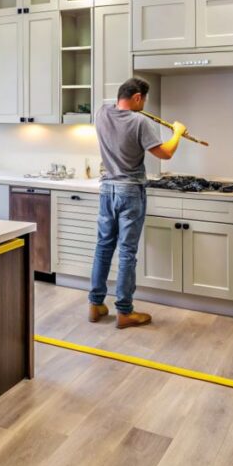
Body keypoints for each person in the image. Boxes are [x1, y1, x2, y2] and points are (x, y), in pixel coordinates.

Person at [89, 77, 186, 329]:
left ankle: (95, 304)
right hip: (130, 191)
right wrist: (177, 133)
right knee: (127, 252)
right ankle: (124, 312)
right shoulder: (139, 122)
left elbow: (113, 105)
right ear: (136, 98)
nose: (144, 105)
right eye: (143, 100)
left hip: (107, 190)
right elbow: (165, 152)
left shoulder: (102, 114)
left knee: (103, 247)